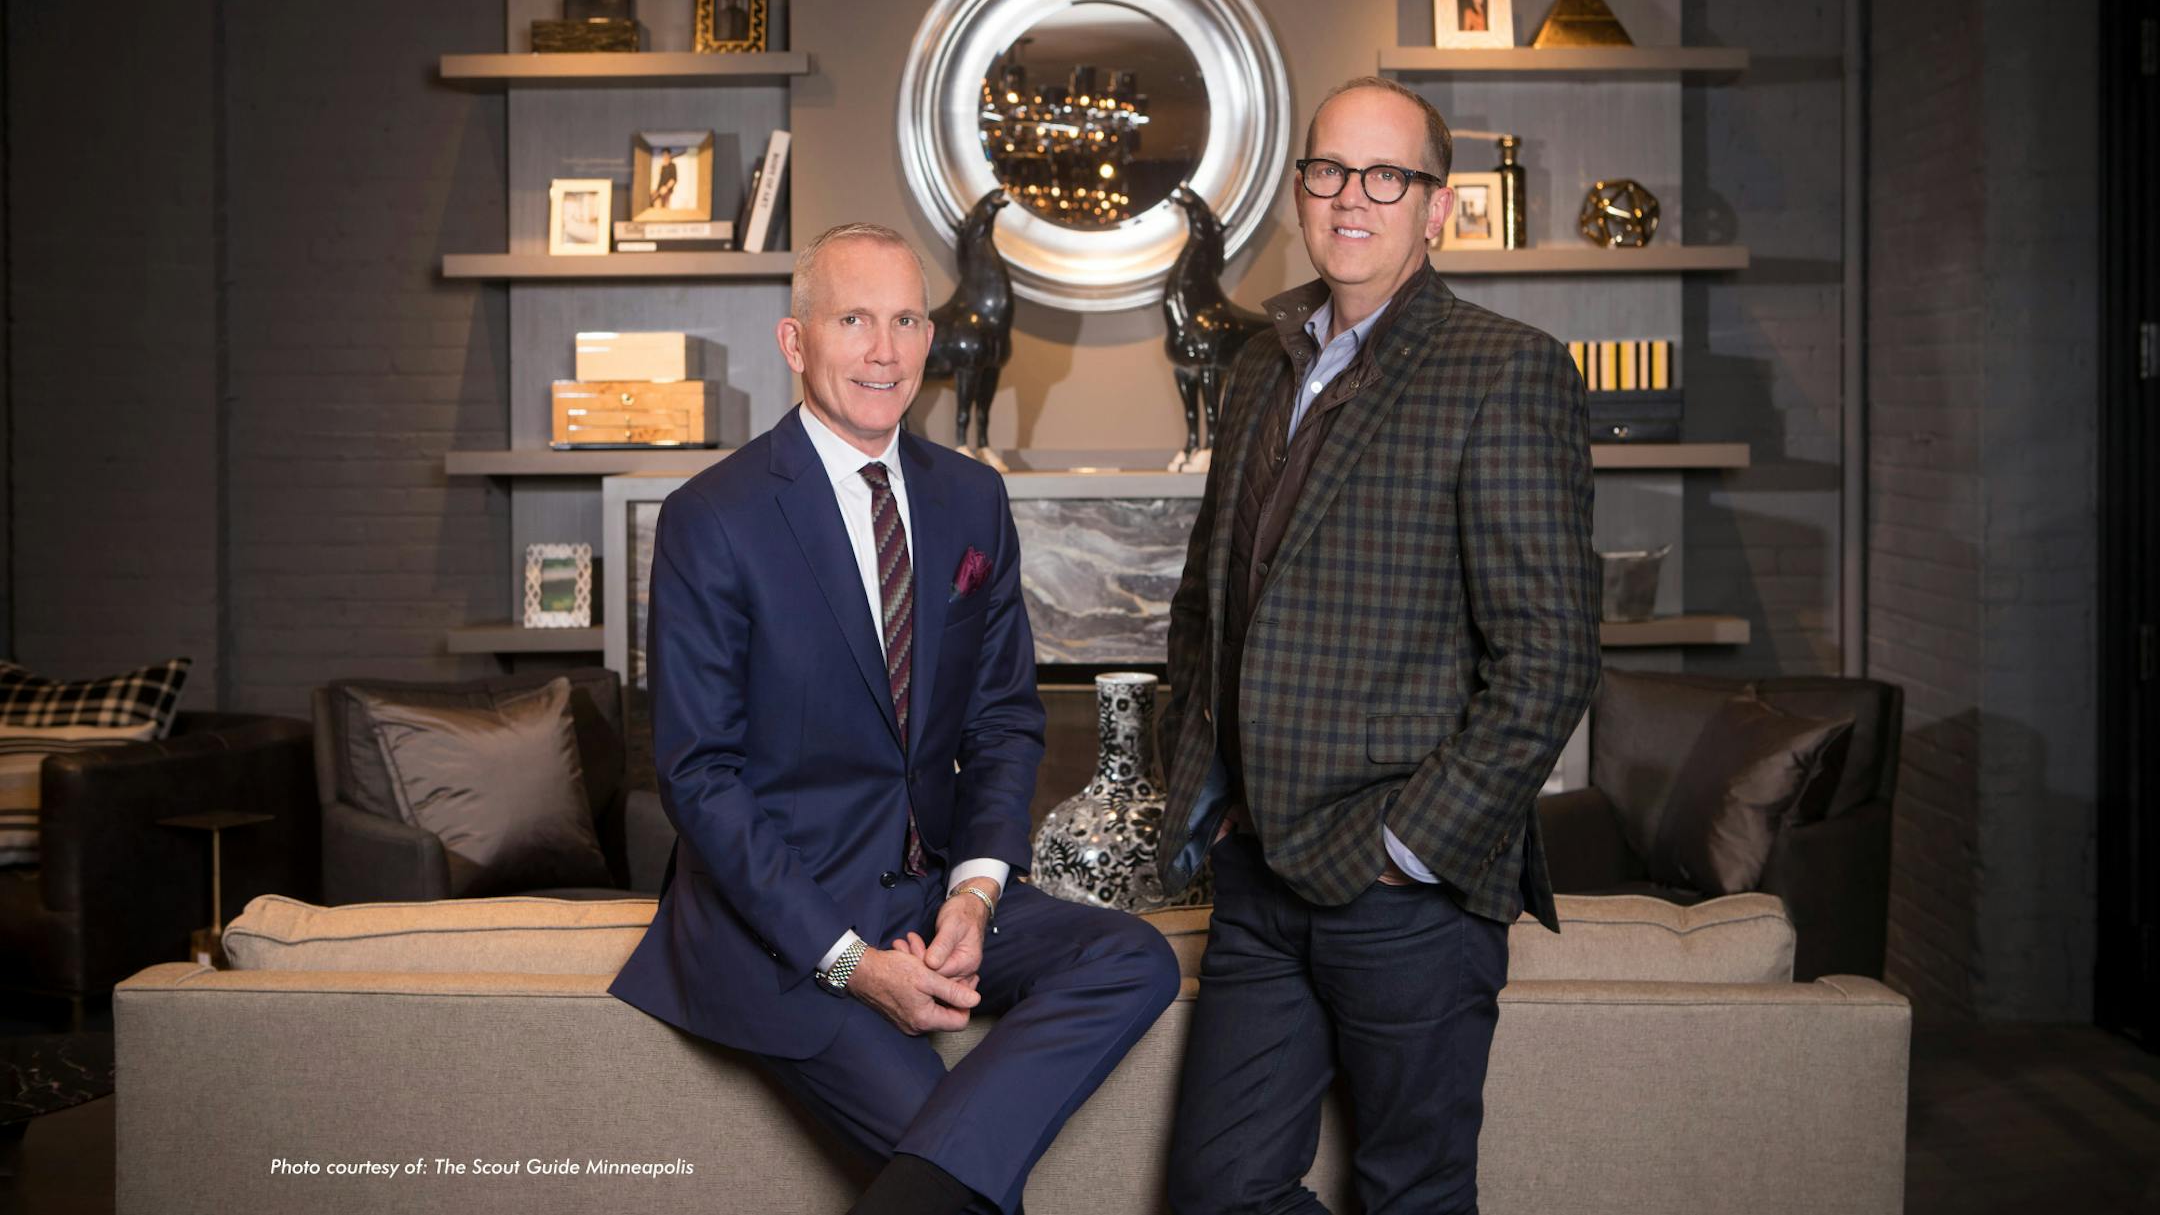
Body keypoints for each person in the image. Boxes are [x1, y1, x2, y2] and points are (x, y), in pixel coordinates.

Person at [610, 222, 1179, 1215]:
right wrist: (853, 964)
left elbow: (1003, 721)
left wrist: (974, 897)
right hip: (780, 925)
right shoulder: (714, 517)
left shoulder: (972, 499)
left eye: (908, 320)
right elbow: (699, 776)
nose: (885, 350)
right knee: (956, 1181)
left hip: (927, 895)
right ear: (796, 341)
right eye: (854, 320)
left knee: (1135, 955)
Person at [1153, 77, 1601, 1214]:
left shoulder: (1504, 369)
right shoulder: (1257, 364)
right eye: (1329, 170)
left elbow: (1549, 657)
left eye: (1386, 175)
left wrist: (1412, 846)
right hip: (1258, 876)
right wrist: (1202, 782)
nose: (1352, 196)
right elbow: (1208, 599)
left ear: (1437, 207)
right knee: (1218, 1189)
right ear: (1301, 188)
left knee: (1412, 1192)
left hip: (1405, 893)